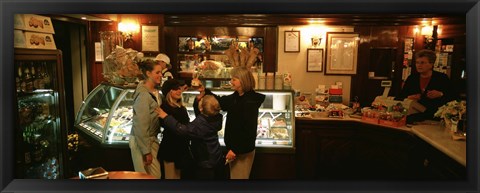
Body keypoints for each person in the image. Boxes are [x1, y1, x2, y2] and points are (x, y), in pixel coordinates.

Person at [194, 66, 265, 179]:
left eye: (234, 79)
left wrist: (235, 150)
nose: (231, 81)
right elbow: (222, 102)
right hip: (235, 149)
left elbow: (248, 131)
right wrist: (205, 91)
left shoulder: (249, 102)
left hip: (241, 151)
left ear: (242, 81)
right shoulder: (238, 96)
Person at [156, 95, 225, 179]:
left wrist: (166, 117)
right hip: (215, 155)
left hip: (205, 160)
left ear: (201, 109)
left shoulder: (200, 124)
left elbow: (183, 130)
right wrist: (197, 101)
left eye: (201, 101)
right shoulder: (216, 117)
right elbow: (200, 113)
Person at [397, 49, 455, 123]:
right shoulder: (412, 78)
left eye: (422, 63)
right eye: (417, 62)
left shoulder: (441, 78)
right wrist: (409, 97)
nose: (419, 65)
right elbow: (400, 96)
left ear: (431, 64)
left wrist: (440, 94)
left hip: (434, 117)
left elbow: (453, 97)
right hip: (414, 116)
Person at [129, 59, 163, 179]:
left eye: (161, 72)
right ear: (148, 74)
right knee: (147, 178)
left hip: (151, 140)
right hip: (142, 142)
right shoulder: (143, 95)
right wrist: (146, 151)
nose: (161, 75)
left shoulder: (155, 91)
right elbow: (141, 125)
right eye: (157, 72)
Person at [157, 79, 192, 179]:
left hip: (181, 150)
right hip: (170, 149)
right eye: (175, 89)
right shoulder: (164, 108)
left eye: (179, 89)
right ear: (168, 92)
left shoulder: (181, 107)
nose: (179, 91)